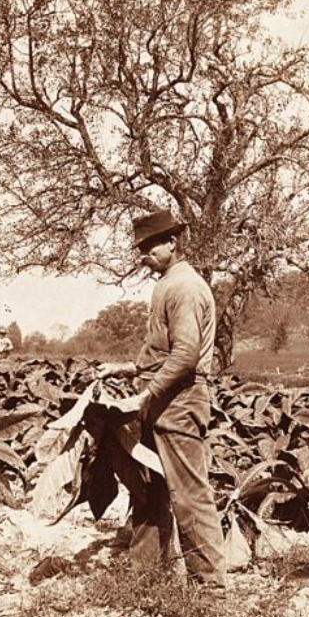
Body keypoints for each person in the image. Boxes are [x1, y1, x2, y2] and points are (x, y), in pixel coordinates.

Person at [95, 209, 227, 589]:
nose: (143, 254)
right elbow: (163, 351)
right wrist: (129, 369)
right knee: (149, 487)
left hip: (180, 401)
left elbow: (185, 355)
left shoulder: (184, 286)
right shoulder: (168, 283)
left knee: (189, 495)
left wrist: (144, 396)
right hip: (161, 397)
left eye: (151, 245)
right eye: (140, 248)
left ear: (173, 242)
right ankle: (146, 575)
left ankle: (211, 592)